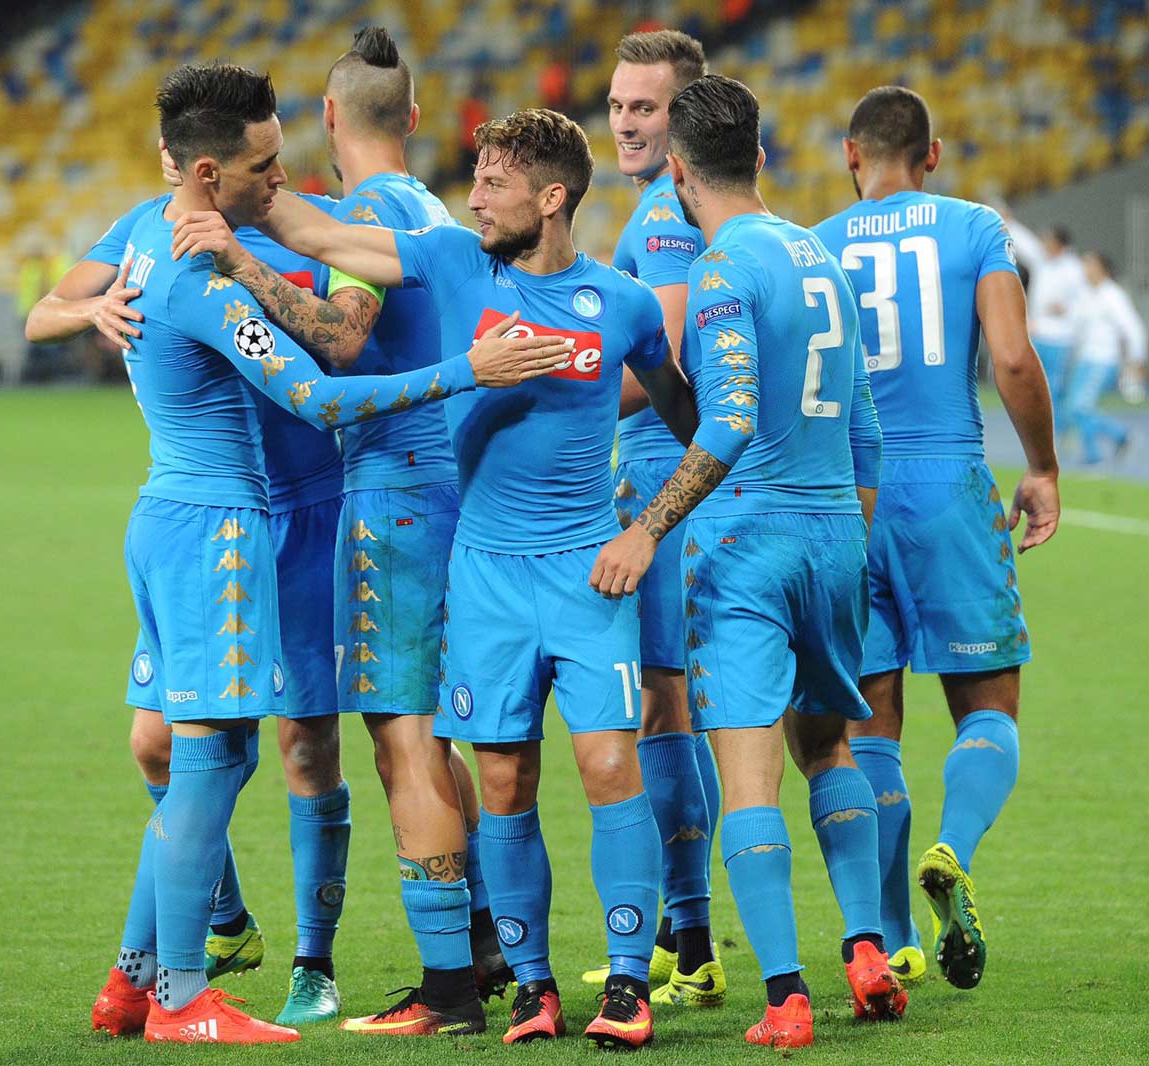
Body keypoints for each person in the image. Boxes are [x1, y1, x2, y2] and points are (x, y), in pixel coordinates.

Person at [76, 62, 571, 1046]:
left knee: (256, 750)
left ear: (332, 112)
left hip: (225, 512)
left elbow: (316, 321)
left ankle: (154, 982)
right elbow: (318, 382)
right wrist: (465, 371)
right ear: (209, 172)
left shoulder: (158, 233)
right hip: (238, 522)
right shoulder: (224, 266)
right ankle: (186, 990)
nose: (281, 178)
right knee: (233, 755)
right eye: (264, 164)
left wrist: (98, 304)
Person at [208, 105, 699, 1050]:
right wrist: (235, 195)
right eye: (474, 178)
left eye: (493, 183)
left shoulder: (624, 304)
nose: (472, 197)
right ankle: (532, 988)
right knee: (504, 778)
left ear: (550, 198)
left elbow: (691, 419)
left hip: (587, 571)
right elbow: (317, 233)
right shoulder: (450, 261)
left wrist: (651, 526)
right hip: (484, 577)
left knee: (609, 764)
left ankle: (628, 983)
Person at [159, 27, 515, 1036]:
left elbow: (341, 338)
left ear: (325, 118)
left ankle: (446, 988)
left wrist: (238, 262)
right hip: (451, 486)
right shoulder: (432, 206)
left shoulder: (365, 214)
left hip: (393, 488)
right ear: (413, 116)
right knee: (431, 735)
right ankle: (486, 940)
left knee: (403, 740)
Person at [589, 74, 900, 1051]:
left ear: (678, 171)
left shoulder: (722, 271)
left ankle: (785, 998)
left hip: (748, 545)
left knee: (751, 777)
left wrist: (647, 529)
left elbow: (724, 421)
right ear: (758, 157)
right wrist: (843, 537)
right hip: (835, 533)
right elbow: (867, 427)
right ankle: (867, 949)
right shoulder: (820, 254)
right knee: (830, 746)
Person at [37, 192, 355, 1026]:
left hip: (288, 514)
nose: (276, 174)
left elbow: (351, 340)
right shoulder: (158, 235)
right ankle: (206, 948)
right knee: (171, 751)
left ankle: (300, 966)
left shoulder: (317, 226)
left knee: (295, 747)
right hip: (214, 522)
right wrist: (89, 310)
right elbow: (43, 312)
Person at [815, 85, 1060, 989]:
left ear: (851, 155)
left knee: (870, 725)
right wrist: (1043, 467)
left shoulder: (817, 245)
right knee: (989, 708)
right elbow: (1011, 357)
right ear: (934, 155)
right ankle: (952, 847)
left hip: (851, 495)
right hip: (948, 484)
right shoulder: (974, 227)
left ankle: (889, 940)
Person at [586, 27, 725, 1008]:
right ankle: (688, 935)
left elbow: (667, 357)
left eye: (647, 107)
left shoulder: (667, 214)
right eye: (618, 104)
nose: (626, 122)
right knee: (667, 705)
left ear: (686, 115)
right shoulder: (668, 205)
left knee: (662, 704)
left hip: (662, 479)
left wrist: (562, 393)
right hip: (669, 476)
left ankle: (692, 941)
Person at [1001, 212, 1083, 429]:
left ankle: (1057, 431)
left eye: (1048, 241)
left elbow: (1085, 303)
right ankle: (1043, 429)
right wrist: (1008, 221)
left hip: (1061, 338)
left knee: (1054, 388)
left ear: (1060, 245)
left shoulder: (1073, 269)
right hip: (1039, 334)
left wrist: (1067, 309)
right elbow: (1024, 241)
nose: (1044, 244)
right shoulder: (1042, 261)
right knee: (1035, 387)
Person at [1067, 251, 1146, 464]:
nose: (1085, 269)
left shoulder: (1113, 295)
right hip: (1085, 359)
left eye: (1089, 265)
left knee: (1081, 406)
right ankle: (1093, 453)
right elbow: (1074, 324)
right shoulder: (1085, 294)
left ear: (1102, 269)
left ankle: (1121, 436)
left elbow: (1132, 328)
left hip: (1103, 359)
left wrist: (1137, 359)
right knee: (1074, 408)